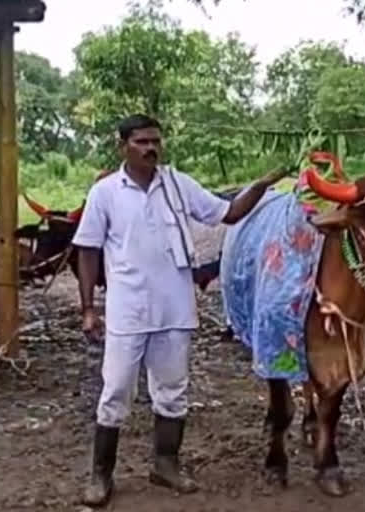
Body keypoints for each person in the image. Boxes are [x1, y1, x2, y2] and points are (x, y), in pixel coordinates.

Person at [73, 113, 290, 506]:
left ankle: (165, 465)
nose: (151, 148)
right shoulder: (106, 192)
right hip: (127, 311)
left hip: (175, 307)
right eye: (141, 142)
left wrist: (263, 184)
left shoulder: (177, 184)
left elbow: (230, 214)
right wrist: (89, 308)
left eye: (156, 140)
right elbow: (87, 249)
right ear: (123, 146)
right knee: (116, 391)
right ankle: (100, 474)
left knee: (172, 391)